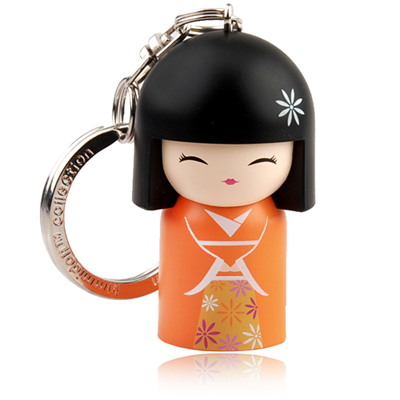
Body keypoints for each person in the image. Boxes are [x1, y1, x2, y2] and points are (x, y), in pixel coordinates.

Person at [133, 31, 315, 350]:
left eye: (261, 160)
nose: (230, 177)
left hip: (263, 342)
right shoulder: (181, 217)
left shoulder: (267, 218)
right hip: (181, 342)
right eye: (194, 159)